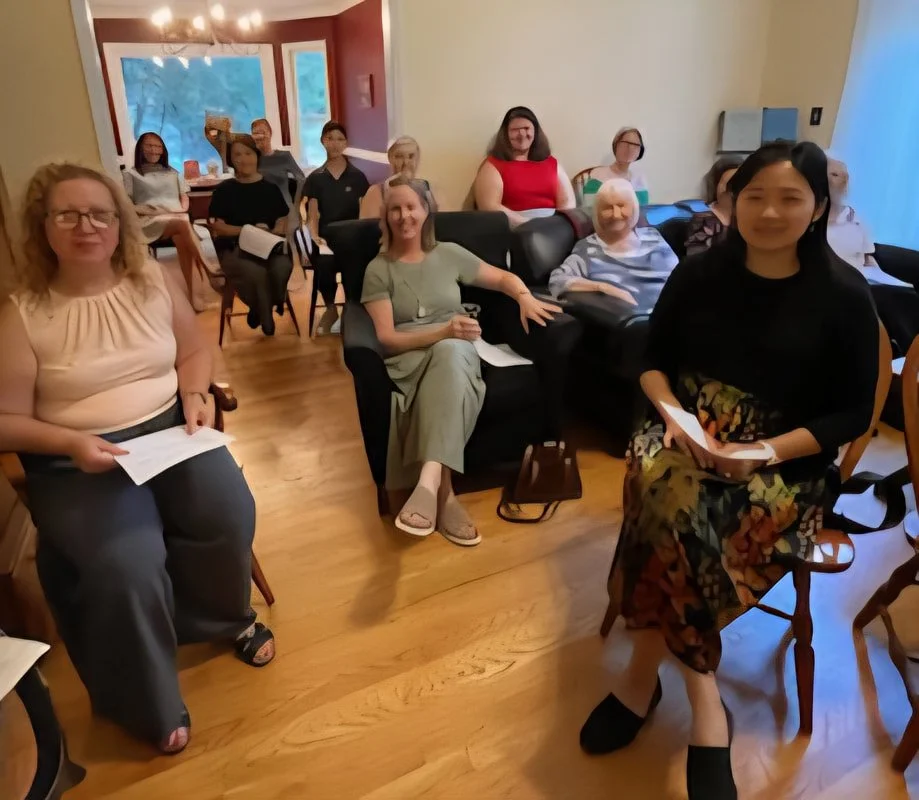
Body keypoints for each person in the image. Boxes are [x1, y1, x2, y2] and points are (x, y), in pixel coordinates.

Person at [580, 142, 878, 800]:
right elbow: (651, 361)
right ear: (732, 201)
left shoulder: (843, 294)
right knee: (663, 487)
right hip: (682, 425)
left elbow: (854, 413)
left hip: (786, 458)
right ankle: (705, 707)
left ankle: (640, 678)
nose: (769, 211)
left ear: (817, 207)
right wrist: (678, 422)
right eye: (754, 196)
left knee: (672, 513)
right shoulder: (699, 273)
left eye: (789, 198)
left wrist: (760, 452)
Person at [0, 163, 276, 755]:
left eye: (100, 213)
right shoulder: (22, 312)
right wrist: (71, 442)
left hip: (169, 430)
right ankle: (146, 699)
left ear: (120, 221)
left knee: (227, 513)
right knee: (126, 562)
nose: (86, 226)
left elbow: (194, 350)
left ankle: (219, 619)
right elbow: (6, 421)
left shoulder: (150, 279)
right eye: (67, 214)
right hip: (75, 458)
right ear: (41, 226)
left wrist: (198, 396)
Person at [361, 176, 560, 546]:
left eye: (411, 207)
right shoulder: (378, 269)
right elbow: (387, 339)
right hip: (409, 356)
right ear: (385, 217)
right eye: (395, 209)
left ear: (426, 211)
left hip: (458, 350)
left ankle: (429, 481)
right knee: (449, 350)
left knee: (452, 354)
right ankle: (445, 494)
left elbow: (502, 277)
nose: (404, 215)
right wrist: (441, 333)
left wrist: (524, 297)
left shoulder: (449, 253)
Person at [827, 155, 919, 354]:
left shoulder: (852, 215)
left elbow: (869, 255)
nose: (842, 179)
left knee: (904, 291)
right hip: (840, 281)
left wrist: (884, 277)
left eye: (845, 175)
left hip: (865, 274)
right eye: (834, 174)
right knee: (889, 298)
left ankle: (907, 354)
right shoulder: (812, 217)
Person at [208, 134, 293, 336]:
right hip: (234, 247)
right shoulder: (224, 190)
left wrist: (272, 232)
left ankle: (260, 308)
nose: (244, 159)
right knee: (256, 273)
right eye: (238, 154)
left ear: (256, 155)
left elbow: (283, 220)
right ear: (231, 159)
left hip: (269, 245)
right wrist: (249, 231)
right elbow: (218, 227)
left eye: (248, 153)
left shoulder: (271, 188)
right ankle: (267, 316)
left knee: (282, 267)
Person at [548, 178, 678, 309]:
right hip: (635, 323)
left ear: (634, 207)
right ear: (597, 212)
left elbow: (680, 276)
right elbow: (557, 281)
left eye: (622, 206)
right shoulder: (588, 248)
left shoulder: (652, 236)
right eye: (608, 208)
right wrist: (602, 287)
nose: (616, 215)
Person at [122, 132, 209, 309]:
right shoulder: (131, 174)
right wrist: (150, 210)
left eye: (158, 146)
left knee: (182, 235)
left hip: (176, 217)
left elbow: (184, 197)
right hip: (149, 220)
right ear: (140, 148)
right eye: (149, 145)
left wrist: (181, 209)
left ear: (163, 150)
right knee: (184, 224)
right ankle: (208, 268)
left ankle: (194, 295)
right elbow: (126, 204)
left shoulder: (173, 172)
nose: (154, 150)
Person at [305, 121, 370, 333]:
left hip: (352, 236)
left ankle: (353, 311)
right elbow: (312, 214)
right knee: (324, 261)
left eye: (340, 139)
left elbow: (365, 212)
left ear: (346, 143)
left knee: (357, 261)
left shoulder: (358, 176)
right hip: (326, 236)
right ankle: (331, 308)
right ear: (323, 141)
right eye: (330, 138)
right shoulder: (316, 178)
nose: (335, 144)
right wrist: (314, 237)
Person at [473, 106, 575, 228]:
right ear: (505, 133)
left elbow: (568, 203)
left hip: (553, 229)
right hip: (516, 230)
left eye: (526, 128)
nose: (521, 135)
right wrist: (529, 225)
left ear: (535, 131)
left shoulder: (552, 163)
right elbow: (489, 207)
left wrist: (555, 227)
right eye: (515, 130)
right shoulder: (492, 165)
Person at [360, 136, 444, 218]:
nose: (406, 163)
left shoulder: (430, 190)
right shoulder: (376, 193)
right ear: (390, 158)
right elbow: (367, 230)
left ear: (418, 158)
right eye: (399, 156)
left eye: (411, 156)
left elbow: (445, 225)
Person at [684, 155, 745, 256]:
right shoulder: (703, 220)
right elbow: (696, 260)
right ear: (715, 186)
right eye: (728, 185)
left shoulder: (750, 217)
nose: (732, 191)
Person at [583, 127, 650, 206]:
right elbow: (591, 210)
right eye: (625, 143)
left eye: (635, 145)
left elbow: (643, 211)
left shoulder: (639, 180)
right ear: (616, 144)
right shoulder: (597, 175)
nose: (630, 148)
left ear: (640, 151)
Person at [250, 118, 306, 207]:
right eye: (256, 133)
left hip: (285, 208)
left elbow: (301, 179)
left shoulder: (284, 156)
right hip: (261, 209)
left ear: (270, 133)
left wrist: (296, 205)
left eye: (263, 132)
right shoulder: (251, 160)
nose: (260, 136)